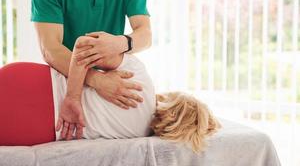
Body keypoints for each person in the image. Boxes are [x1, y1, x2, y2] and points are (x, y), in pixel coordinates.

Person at [0, 40, 221, 152]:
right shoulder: (138, 135)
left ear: (176, 100)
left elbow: (82, 46)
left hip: (30, 83)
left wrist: (74, 96)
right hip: (35, 128)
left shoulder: (141, 79)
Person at [31, 0, 152, 138]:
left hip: (109, 78)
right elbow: (50, 49)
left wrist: (119, 43)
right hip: (63, 82)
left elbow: (145, 35)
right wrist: (97, 80)